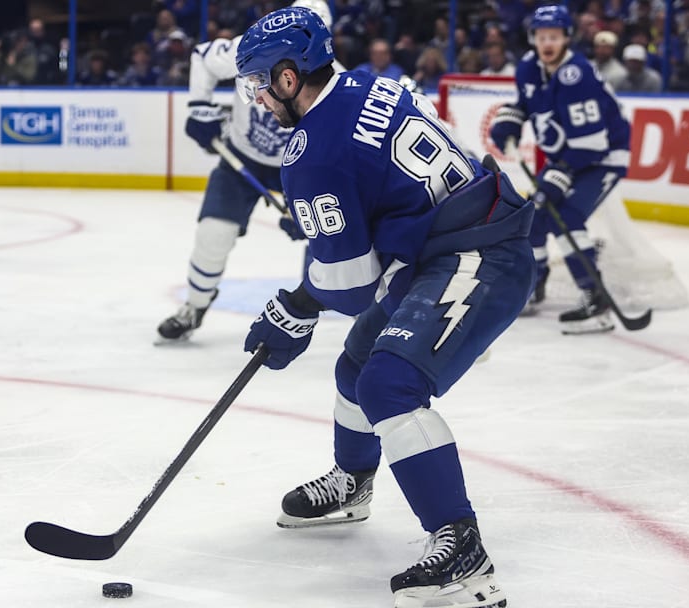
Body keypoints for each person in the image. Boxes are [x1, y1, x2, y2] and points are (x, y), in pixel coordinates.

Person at [236, 7, 534, 608]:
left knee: (389, 384)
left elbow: (349, 285)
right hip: (452, 239)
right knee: (357, 365)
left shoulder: (312, 153)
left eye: (258, 85)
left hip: (480, 254)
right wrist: (304, 299)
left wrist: (295, 306)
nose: (257, 100)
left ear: (290, 79)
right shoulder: (373, 83)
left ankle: (462, 546)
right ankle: (353, 484)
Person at [155, 0, 333, 342]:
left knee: (324, 245)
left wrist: (312, 213)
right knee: (213, 235)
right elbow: (204, 58)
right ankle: (195, 305)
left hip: (299, 168)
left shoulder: (331, 82)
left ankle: (324, 315)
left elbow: (331, 151)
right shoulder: (253, 46)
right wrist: (199, 108)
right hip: (241, 160)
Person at [489, 4, 631, 334]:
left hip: (602, 157)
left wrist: (562, 170)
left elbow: (593, 142)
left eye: (554, 36)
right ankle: (534, 286)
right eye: (541, 37)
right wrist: (511, 118)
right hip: (569, 156)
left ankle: (596, 300)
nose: (547, 43)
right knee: (535, 214)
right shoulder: (528, 67)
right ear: (533, 39)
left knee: (563, 215)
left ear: (567, 38)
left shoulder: (576, 75)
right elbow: (527, 103)